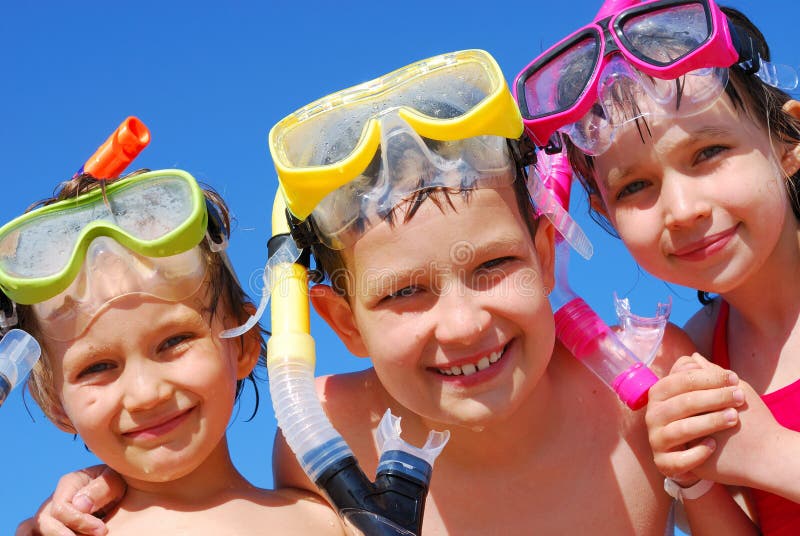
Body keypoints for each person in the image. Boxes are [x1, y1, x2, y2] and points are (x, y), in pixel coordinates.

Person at [21, 49, 699, 535]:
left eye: (492, 265)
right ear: (340, 323)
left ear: (548, 257)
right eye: (405, 291)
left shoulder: (643, 378)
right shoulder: (332, 446)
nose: (463, 325)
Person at [513, 0, 800, 534]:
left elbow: (763, 457)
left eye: (709, 152)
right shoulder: (698, 355)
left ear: (787, 142)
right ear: (603, 212)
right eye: (636, 186)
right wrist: (694, 480)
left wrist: (772, 454)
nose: (683, 210)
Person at [7, 168, 343, 534]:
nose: (146, 394)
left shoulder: (325, 519)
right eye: (97, 367)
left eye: (173, 342)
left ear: (242, 341)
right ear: (55, 405)